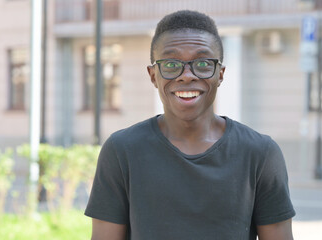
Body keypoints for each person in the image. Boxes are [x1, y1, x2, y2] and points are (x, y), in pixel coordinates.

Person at [85, 10, 295, 240]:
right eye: (171, 64)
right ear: (153, 75)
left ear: (220, 74)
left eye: (203, 63)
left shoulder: (260, 153)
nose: (186, 76)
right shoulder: (121, 150)